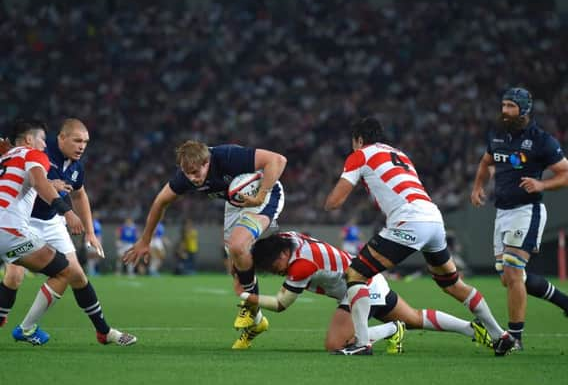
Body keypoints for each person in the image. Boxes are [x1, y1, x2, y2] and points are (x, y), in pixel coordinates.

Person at [323, 117, 506, 356]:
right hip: (433, 218)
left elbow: (334, 202)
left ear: (358, 140)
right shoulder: (400, 154)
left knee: (356, 273)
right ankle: (499, 334)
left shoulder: (360, 154)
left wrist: (328, 202)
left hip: (409, 221)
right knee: (453, 284)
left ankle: (362, 343)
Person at [123, 140, 286, 347]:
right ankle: (257, 323)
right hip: (235, 203)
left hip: (265, 194)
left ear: (207, 162)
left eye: (195, 172)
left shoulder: (227, 157)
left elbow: (278, 160)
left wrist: (260, 196)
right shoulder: (185, 177)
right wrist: (145, 240)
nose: (192, 178)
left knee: (238, 246)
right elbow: (160, 202)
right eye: (187, 173)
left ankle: (251, 305)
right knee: (236, 272)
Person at [236, 231, 493, 352]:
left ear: (283, 254)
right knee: (414, 318)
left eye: (275, 265)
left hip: (357, 289)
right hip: (370, 279)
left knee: (336, 344)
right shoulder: (287, 238)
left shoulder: (301, 265)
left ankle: (392, 330)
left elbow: (281, 304)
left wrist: (247, 297)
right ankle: (473, 329)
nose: (276, 271)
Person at [0, 118, 136, 346]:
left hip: (50, 221)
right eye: (77, 140)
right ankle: (16, 323)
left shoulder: (75, 166)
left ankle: (104, 331)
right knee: (15, 276)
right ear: (60, 138)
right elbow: (37, 181)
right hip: (23, 221)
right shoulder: (40, 152)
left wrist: (90, 232)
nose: (82, 146)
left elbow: (79, 195)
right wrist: (64, 206)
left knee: (76, 274)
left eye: (85, 142)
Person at [471, 87, 568, 353]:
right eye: (503, 105)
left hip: (527, 211)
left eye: (511, 106)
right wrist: (478, 186)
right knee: (510, 278)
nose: (504, 111)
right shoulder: (499, 136)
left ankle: (515, 337)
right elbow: (485, 162)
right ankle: (564, 302)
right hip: (502, 213)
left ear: (524, 109)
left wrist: (542, 184)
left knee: (513, 272)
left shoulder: (542, 140)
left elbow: (565, 173)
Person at [86, 211, 103, 276]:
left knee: (96, 256)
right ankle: (91, 271)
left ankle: (94, 271)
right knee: (91, 255)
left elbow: (99, 234)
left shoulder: (97, 223)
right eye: (95, 214)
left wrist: (100, 241)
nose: (97, 216)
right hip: (90, 241)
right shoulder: (90, 223)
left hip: (96, 241)